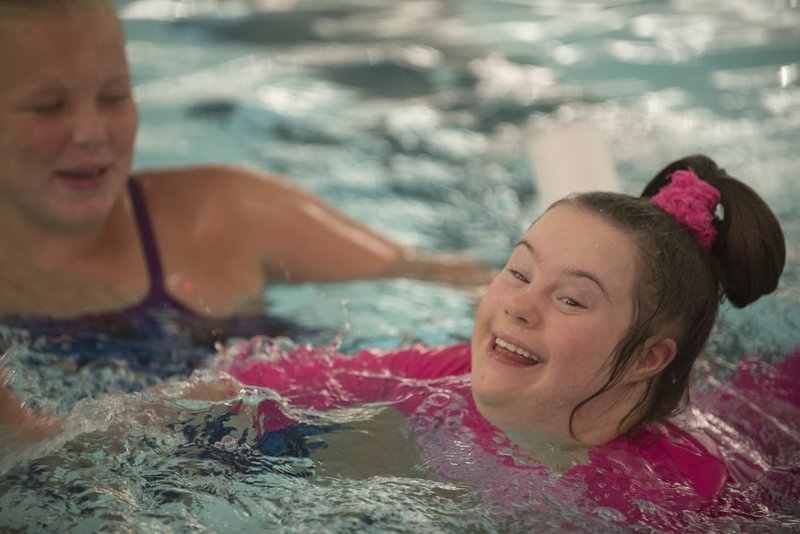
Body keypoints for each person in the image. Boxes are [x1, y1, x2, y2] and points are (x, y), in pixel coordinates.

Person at [1, 154, 792, 526]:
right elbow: (273, 380)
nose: (519, 308)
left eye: (571, 299)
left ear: (653, 355)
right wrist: (50, 438)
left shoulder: (675, 497)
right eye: (518, 273)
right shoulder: (445, 373)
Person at [0, 0, 493, 344]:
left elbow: (438, 276)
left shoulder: (226, 212)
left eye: (114, 96)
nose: (90, 132)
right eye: (48, 107)